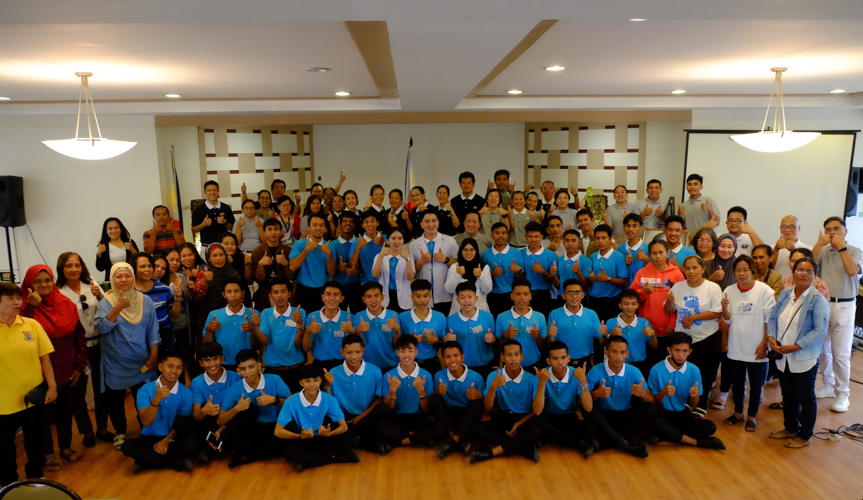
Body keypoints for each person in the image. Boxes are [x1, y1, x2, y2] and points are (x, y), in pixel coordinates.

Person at [21, 266, 87, 470]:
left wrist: (79, 366)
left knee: (66, 411)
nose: (43, 285)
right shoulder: (22, 309)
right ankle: (48, 454)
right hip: (40, 371)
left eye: (47, 280)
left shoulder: (67, 304)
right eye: (38, 281)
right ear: (30, 285)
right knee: (44, 416)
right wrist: (31, 307)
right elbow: (22, 333)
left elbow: (80, 337)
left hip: (68, 368)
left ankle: (65, 448)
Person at [94, 263, 160, 450]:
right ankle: (120, 431)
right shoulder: (106, 302)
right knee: (115, 399)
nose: (123, 280)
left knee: (144, 396)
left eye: (127, 276)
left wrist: (154, 354)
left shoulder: (145, 301)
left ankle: (146, 429)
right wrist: (118, 308)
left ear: (133, 277)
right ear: (112, 280)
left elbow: (153, 330)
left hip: (142, 360)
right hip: (115, 362)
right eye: (118, 276)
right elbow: (101, 328)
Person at [767, 257, 829, 448]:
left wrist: (796, 346)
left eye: (808, 271)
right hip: (782, 356)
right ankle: (790, 427)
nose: (803, 274)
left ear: (814, 275)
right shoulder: (785, 294)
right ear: (792, 273)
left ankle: (805, 435)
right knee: (787, 394)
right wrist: (770, 337)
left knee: (806, 397)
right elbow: (772, 318)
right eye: (799, 270)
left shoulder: (818, 300)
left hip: (804, 356)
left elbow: (820, 331)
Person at [0, 282, 56, 486]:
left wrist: (52, 386)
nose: (18, 302)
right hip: (3, 402)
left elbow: (45, 358)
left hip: (33, 397)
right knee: (4, 445)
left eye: (18, 297)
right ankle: (8, 483)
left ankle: (35, 475)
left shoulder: (31, 325)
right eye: (11, 298)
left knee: (35, 440)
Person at [56, 252, 110, 446]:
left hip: (99, 344)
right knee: (76, 392)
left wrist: (101, 297)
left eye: (77, 265)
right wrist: (79, 352)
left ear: (82, 267)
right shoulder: (58, 292)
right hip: (75, 349)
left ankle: (102, 428)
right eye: (68, 266)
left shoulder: (92, 287)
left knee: (101, 389)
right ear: (61, 269)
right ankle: (87, 431)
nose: (73, 269)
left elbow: (107, 312)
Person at [813, 216, 863, 413]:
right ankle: (828, 384)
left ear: (845, 231)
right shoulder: (824, 250)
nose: (832, 232)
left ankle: (843, 393)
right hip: (823, 303)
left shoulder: (854, 250)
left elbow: (852, 271)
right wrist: (818, 244)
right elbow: (809, 265)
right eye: (828, 229)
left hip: (844, 305)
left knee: (841, 353)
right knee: (823, 349)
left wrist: (841, 247)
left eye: (836, 228)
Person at [722, 255, 776, 432]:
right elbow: (727, 319)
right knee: (736, 383)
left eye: (745, 269)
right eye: (738, 270)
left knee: (756, 385)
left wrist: (764, 343)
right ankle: (738, 413)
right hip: (736, 344)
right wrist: (723, 308)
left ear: (752, 270)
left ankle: (752, 416)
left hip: (757, 345)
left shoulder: (764, 290)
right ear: (733, 272)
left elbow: (770, 319)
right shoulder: (729, 290)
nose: (742, 273)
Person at [664, 255, 722, 418]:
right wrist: (669, 302)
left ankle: (701, 404)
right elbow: (669, 310)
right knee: (682, 370)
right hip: (683, 338)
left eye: (695, 267)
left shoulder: (712, 288)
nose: (691, 271)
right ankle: (683, 401)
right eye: (687, 268)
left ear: (703, 269)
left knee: (703, 372)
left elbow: (717, 312)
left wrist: (693, 318)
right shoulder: (678, 287)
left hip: (706, 337)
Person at [120, 351, 198, 473]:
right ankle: (174, 462)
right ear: (161, 367)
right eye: (170, 366)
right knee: (126, 446)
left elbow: (182, 425)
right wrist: (156, 399)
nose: (174, 371)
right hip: (149, 438)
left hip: (172, 438)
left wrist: (167, 440)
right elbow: (146, 422)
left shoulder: (186, 393)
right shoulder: (145, 390)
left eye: (179, 367)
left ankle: (145, 461)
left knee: (193, 444)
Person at [647, 332, 725, 450]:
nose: (681, 355)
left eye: (685, 351)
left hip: (682, 414)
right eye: (677, 350)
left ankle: (666, 434)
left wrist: (694, 396)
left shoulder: (694, 370)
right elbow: (654, 403)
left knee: (711, 426)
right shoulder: (656, 370)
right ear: (669, 350)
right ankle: (695, 442)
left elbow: (693, 406)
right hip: (662, 413)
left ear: (690, 352)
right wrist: (663, 393)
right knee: (655, 423)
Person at [275, 364, 360, 472]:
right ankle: (336, 458)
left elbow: (343, 426)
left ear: (320, 381)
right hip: (304, 440)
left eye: (315, 380)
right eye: (307, 381)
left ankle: (307, 461)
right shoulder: (290, 402)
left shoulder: (329, 399)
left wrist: (330, 433)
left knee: (353, 439)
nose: (312, 385)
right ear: (301, 383)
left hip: (322, 436)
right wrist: (300, 436)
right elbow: (278, 431)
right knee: (288, 452)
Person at [470, 340, 542, 463]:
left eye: (516, 354)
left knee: (537, 431)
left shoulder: (532, 378)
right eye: (509, 355)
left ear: (521, 357)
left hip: (523, 418)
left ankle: (491, 452)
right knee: (476, 428)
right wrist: (493, 387)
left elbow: (536, 411)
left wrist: (519, 423)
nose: (513, 358)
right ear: (503, 357)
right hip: (502, 416)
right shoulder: (494, 376)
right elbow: (487, 409)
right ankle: (523, 447)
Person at [217, 349, 290, 468]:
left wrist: (274, 400)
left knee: (290, 434)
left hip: (274, 427)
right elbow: (220, 421)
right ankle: (265, 451)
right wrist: (237, 409)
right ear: (238, 371)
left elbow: (293, 404)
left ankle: (248, 456)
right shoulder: (235, 389)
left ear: (259, 366)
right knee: (227, 435)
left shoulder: (274, 379)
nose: (248, 372)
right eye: (243, 369)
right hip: (251, 430)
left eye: (251, 367)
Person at [585, 336, 655, 458]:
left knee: (651, 408)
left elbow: (652, 401)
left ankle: (609, 442)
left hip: (625, 415)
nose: (618, 356)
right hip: (603, 417)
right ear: (606, 352)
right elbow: (581, 403)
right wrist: (596, 394)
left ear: (627, 354)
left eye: (622, 352)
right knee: (590, 411)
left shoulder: (634, 371)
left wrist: (643, 394)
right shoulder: (595, 371)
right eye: (614, 351)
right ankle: (624, 443)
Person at [375, 335, 445, 452]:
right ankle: (419, 437)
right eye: (402, 351)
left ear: (416, 352)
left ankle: (398, 442)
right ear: (397, 352)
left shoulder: (426, 375)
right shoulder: (389, 376)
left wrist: (421, 391)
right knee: (378, 427)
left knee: (439, 427)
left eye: (410, 350)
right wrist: (392, 391)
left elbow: (427, 410)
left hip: (418, 417)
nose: (407, 355)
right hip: (397, 418)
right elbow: (388, 408)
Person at [324, 334, 391, 454]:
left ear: (363, 351)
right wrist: (326, 386)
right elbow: (330, 401)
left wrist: (361, 416)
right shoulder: (333, 372)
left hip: (367, 415)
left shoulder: (375, 371)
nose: (354, 357)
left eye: (358, 352)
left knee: (383, 409)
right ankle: (364, 440)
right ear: (342, 352)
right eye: (349, 352)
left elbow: (379, 398)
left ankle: (354, 436)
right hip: (343, 416)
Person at [531, 341, 596, 458]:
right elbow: (537, 411)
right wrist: (541, 383)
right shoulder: (541, 376)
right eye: (555, 359)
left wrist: (583, 381)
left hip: (569, 417)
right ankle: (578, 443)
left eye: (563, 357)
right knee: (535, 421)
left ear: (568, 358)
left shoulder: (576, 374)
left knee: (592, 429)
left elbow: (588, 407)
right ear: (548, 361)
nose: (560, 362)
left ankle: (550, 438)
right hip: (548, 417)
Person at [178, 342, 241, 463]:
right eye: (207, 360)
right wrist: (204, 411)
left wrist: (223, 427)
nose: (212, 364)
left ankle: (211, 446)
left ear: (222, 358)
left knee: (248, 412)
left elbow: (239, 408)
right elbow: (196, 416)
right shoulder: (197, 382)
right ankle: (220, 442)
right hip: (210, 422)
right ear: (201, 363)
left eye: (215, 359)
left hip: (230, 420)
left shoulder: (235, 377)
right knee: (180, 421)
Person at [629, 240, 685, 365]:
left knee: (665, 365)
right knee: (647, 364)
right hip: (646, 328)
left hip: (667, 329)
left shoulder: (676, 274)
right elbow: (631, 299)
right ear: (649, 255)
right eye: (654, 253)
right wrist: (643, 291)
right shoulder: (642, 272)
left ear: (667, 253)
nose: (658, 256)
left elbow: (681, 303)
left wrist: (671, 324)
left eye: (661, 252)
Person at [430, 341, 486, 458]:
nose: (452, 360)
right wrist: (437, 392)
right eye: (448, 357)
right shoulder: (438, 376)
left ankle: (451, 442)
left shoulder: (476, 377)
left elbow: (485, 406)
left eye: (456, 355)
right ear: (443, 359)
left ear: (462, 357)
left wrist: (478, 395)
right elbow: (436, 404)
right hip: (448, 415)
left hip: (467, 415)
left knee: (477, 404)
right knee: (435, 399)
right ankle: (457, 439)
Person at [252, 278, 306, 394]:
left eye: (283, 291)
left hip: (296, 368)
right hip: (272, 369)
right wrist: (254, 327)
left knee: (295, 405)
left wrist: (300, 324)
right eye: (276, 292)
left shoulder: (299, 312)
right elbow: (264, 341)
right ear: (270, 296)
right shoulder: (266, 313)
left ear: (289, 294)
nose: (280, 295)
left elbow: (297, 343)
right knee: (272, 404)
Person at [703, 233, 737, 410]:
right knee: (711, 357)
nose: (726, 249)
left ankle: (724, 393)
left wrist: (728, 319)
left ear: (735, 248)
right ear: (716, 247)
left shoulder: (739, 266)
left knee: (728, 358)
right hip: (709, 319)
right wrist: (711, 279)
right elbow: (699, 291)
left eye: (730, 246)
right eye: (722, 246)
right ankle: (708, 387)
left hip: (732, 321)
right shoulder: (707, 265)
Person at [202, 278, 261, 371]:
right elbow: (207, 345)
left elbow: (257, 346)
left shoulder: (254, 314)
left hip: (248, 366)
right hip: (223, 365)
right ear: (223, 294)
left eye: (236, 291)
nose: (233, 295)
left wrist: (253, 330)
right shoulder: (214, 315)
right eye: (229, 292)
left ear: (243, 293)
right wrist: (209, 330)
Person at [409, 210, 459, 314]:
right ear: (421, 224)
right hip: (423, 296)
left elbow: (459, 263)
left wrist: (446, 259)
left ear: (438, 223)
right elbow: (411, 272)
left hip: (445, 293)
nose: (431, 224)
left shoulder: (450, 241)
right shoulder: (414, 244)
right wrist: (421, 261)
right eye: (427, 221)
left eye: (434, 221)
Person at [192, 243, 246, 333]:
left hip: (232, 318)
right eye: (214, 255)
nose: (218, 258)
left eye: (221, 254)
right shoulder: (203, 274)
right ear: (209, 258)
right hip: (209, 318)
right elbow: (197, 298)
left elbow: (240, 298)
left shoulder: (234, 274)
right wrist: (204, 282)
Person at [547, 280, 601, 368]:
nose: (574, 296)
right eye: (570, 293)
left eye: (577, 292)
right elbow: (550, 344)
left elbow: (601, 341)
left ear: (582, 295)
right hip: (562, 362)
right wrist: (549, 336)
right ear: (563, 296)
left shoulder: (591, 314)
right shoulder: (554, 314)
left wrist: (607, 335)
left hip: (585, 361)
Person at [602, 289, 657, 376]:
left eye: (633, 304)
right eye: (626, 304)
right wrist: (611, 335)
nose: (630, 307)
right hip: (617, 364)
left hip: (641, 364)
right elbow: (604, 345)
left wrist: (653, 334)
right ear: (620, 305)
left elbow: (654, 346)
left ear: (638, 305)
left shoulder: (644, 322)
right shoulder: (610, 322)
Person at [132, 253, 180, 353]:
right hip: (140, 335)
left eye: (149, 266)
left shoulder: (164, 289)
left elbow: (175, 314)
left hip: (165, 333)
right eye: (142, 266)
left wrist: (178, 298)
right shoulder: (130, 291)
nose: (147, 269)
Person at [446, 283, 496, 377]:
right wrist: (446, 340)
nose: (466, 301)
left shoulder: (488, 317)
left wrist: (492, 340)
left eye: (470, 297)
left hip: (484, 364)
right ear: (457, 300)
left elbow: (493, 343)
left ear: (476, 298)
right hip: (460, 366)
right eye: (462, 297)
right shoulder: (450, 320)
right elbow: (446, 345)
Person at [494, 280, 547, 369]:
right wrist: (505, 336)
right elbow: (498, 348)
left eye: (525, 294)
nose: (522, 298)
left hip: (533, 365)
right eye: (518, 294)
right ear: (512, 296)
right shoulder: (501, 317)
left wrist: (538, 338)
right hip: (509, 367)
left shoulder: (540, 317)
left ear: (530, 296)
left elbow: (543, 348)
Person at [302, 281, 355, 371]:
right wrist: (308, 331)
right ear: (322, 297)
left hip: (343, 365)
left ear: (342, 298)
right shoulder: (312, 317)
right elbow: (306, 349)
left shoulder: (349, 317)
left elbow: (356, 349)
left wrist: (352, 332)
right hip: (319, 365)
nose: (332, 298)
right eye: (328, 294)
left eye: (336, 295)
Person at [398, 280, 446, 375]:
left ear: (430, 296)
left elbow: (444, 344)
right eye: (418, 296)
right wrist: (411, 341)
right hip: (409, 362)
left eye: (425, 296)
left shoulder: (440, 317)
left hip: (432, 362)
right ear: (412, 297)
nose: (422, 300)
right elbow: (398, 344)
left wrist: (436, 340)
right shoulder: (402, 317)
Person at [290, 213, 335, 313]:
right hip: (303, 291)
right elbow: (292, 267)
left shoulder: (329, 245)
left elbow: (332, 273)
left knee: (320, 324)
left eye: (321, 225)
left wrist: (329, 254)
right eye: (315, 225)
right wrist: (306, 250)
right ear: (308, 228)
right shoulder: (299, 244)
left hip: (323, 291)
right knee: (302, 324)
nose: (318, 228)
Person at [353, 283, 401, 373]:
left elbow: (397, 345)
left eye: (376, 296)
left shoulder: (393, 315)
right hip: (367, 365)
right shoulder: (358, 317)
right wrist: (358, 332)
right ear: (364, 299)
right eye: (369, 296)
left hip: (392, 364)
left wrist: (397, 330)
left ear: (382, 297)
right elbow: (358, 347)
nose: (373, 300)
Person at [587, 224, 629, 325]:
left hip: (612, 301)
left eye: (603, 238)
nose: (600, 241)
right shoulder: (593, 256)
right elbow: (590, 281)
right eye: (597, 238)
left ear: (610, 239)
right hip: (594, 301)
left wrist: (608, 279)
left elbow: (625, 281)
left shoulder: (619, 257)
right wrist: (591, 279)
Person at [482, 222, 526, 317]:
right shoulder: (485, 254)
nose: (500, 236)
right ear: (491, 235)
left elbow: (521, 277)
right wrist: (492, 273)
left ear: (507, 235)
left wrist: (518, 270)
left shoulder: (516, 253)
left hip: (511, 295)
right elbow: (482, 277)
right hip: (493, 295)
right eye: (497, 233)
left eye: (503, 233)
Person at [445, 238, 492, 316]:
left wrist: (480, 276)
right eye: (465, 250)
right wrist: (457, 275)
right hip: (458, 311)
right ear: (461, 250)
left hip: (480, 310)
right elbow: (449, 289)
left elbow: (487, 290)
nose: (468, 253)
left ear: (476, 251)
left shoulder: (484, 267)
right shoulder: (454, 267)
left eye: (471, 250)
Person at [250, 218, 291, 308]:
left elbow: (292, 276)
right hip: (264, 291)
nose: (273, 232)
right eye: (269, 229)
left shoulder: (288, 250)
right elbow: (257, 279)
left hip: (283, 290)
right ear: (264, 232)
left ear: (281, 232)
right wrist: (260, 265)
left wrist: (286, 264)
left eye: (276, 229)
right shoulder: (257, 251)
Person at [372, 228, 414, 314]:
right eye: (393, 238)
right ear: (387, 241)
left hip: (403, 296)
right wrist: (380, 256)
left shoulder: (408, 256)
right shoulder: (379, 256)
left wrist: (408, 259)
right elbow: (375, 275)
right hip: (386, 295)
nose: (397, 241)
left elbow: (410, 277)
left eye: (400, 238)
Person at [328, 212, 362, 312]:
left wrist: (357, 271)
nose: (348, 224)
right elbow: (330, 271)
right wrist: (338, 267)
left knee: (357, 315)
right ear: (340, 224)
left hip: (355, 285)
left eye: (351, 222)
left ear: (355, 225)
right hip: (337, 286)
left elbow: (363, 266)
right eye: (345, 221)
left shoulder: (360, 242)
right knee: (338, 315)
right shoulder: (333, 244)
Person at [522, 221, 557, 318]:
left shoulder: (550, 255)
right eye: (530, 236)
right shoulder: (520, 253)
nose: (533, 240)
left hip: (543, 295)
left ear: (541, 237)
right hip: (524, 294)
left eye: (536, 237)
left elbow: (552, 281)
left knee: (543, 323)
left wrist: (543, 272)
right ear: (525, 237)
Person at [191, 181, 235, 245]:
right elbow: (193, 230)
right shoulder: (199, 209)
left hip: (223, 245)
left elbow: (233, 228)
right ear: (205, 192)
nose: (212, 193)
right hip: (206, 245)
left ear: (218, 191)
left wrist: (225, 222)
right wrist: (203, 224)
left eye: (215, 190)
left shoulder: (226, 208)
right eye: (209, 190)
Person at [95, 217, 139, 281]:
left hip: (130, 278)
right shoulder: (103, 246)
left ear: (121, 229)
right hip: (112, 280)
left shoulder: (129, 242)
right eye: (110, 229)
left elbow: (139, 263)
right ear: (106, 231)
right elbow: (100, 268)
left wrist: (133, 250)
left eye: (116, 228)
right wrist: (99, 254)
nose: (113, 231)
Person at [773, 215, 812, 282]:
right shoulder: (772, 247)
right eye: (784, 226)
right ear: (780, 228)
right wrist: (776, 249)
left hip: (796, 287)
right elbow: (768, 268)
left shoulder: (807, 249)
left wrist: (794, 250)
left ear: (798, 228)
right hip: (775, 287)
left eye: (792, 226)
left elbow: (807, 269)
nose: (788, 229)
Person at [552, 229, 592, 294]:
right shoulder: (559, 260)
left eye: (573, 241)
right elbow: (558, 285)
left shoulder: (586, 261)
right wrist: (553, 276)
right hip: (562, 296)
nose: (570, 244)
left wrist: (579, 272)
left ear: (579, 243)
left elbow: (586, 286)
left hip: (579, 298)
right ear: (563, 242)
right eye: (567, 241)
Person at [620, 214, 648, 286]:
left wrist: (646, 259)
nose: (631, 229)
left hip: (643, 289)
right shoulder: (621, 248)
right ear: (623, 228)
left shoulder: (647, 248)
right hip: (625, 290)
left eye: (634, 226)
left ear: (640, 228)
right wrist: (624, 263)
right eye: (628, 226)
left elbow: (654, 271)